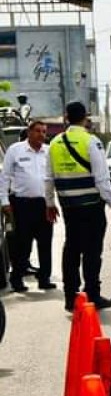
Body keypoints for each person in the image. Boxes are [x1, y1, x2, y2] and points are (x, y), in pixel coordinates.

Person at [45, 101, 111, 312]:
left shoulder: (55, 143)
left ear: (66, 118)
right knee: (92, 252)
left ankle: (70, 298)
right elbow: (101, 179)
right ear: (85, 118)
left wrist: (50, 203)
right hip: (91, 206)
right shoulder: (91, 141)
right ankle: (93, 295)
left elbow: (48, 178)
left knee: (71, 249)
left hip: (68, 205)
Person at [0, 119, 55, 292]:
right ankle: (17, 278)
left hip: (43, 204)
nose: (41, 135)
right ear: (29, 132)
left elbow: (52, 178)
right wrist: (4, 201)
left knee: (45, 242)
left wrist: (52, 203)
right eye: (38, 131)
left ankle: (44, 278)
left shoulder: (48, 152)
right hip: (21, 203)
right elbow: (5, 177)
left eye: (44, 132)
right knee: (22, 244)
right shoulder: (15, 151)